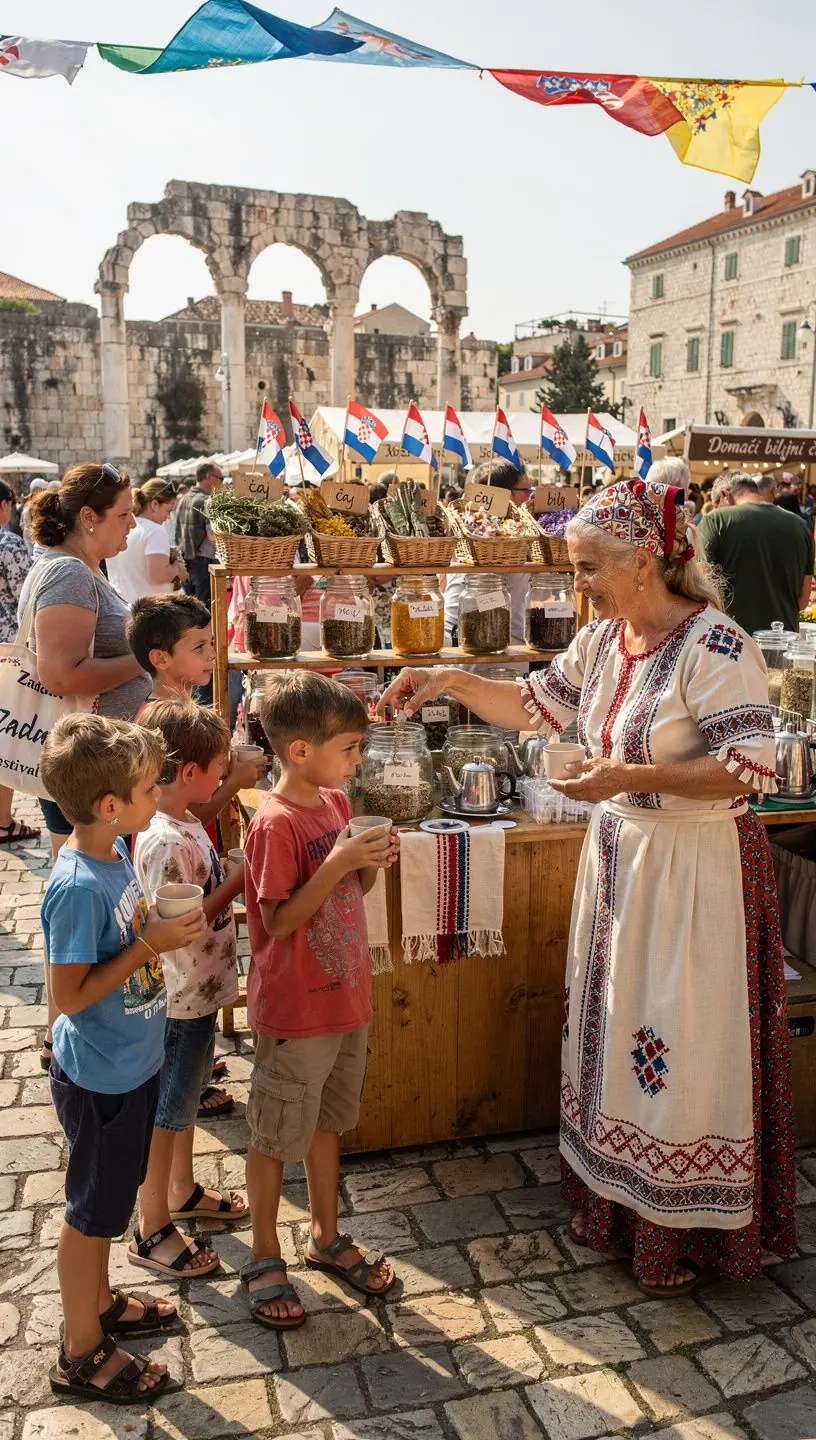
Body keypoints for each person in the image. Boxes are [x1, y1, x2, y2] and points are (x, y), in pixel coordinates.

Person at [379, 468, 796, 1295]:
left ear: (645, 560)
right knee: (618, 1029)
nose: (578, 586)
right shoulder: (606, 642)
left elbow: (749, 770)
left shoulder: (716, 645)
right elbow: (536, 704)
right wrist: (447, 679)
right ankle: (616, 1204)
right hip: (623, 864)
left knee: (679, 1042)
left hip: (694, 873)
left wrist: (628, 777)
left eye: (588, 568)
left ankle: (683, 1234)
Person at [40, 712, 206, 1404]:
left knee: (108, 1204)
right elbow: (69, 995)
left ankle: (101, 1305)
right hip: (101, 1077)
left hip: (130, 1066)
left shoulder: (112, 858)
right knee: (91, 1214)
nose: (157, 792)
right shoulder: (78, 884)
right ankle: (81, 1350)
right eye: (147, 786)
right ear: (110, 807)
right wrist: (150, 947)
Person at [242, 672, 398, 1329]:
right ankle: (263, 1251)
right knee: (277, 1134)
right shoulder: (274, 824)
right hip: (297, 1009)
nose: (358, 760)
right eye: (351, 747)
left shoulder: (335, 806)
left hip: (344, 1002)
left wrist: (367, 863)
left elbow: (345, 896)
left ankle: (326, 1236)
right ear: (301, 751)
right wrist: (336, 865)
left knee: (327, 1124)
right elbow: (277, 922)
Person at [19, 462, 153, 1073]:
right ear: (88, 518)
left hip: (102, 762)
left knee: (101, 902)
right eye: (123, 515)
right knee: (81, 903)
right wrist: (146, 656)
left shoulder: (83, 570)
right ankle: (72, 1041)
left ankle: (81, 1033)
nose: (131, 525)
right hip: (90, 767)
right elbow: (61, 673)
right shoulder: (68, 573)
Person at [133, 701, 247, 1279]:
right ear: (188, 773)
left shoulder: (181, 826)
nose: (224, 776)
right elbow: (180, 926)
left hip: (197, 995)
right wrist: (234, 883)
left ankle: (180, 1190)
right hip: (179, 999)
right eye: (220, 767)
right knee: (168, 1113)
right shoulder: (164, 841)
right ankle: (150, 1224)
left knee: (183, 1105)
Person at [699, 467, 814, 634]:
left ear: (725, 495)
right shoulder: (800, 525)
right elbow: (803, 600)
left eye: (716, 505)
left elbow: (699, 589)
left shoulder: (716, 520)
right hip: (783, 643)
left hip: (729, 644)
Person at [442, 458, 532, 645]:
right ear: (505, 495)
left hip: (507, 643)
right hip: (468, 640)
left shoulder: (520, 532)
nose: (530, 497)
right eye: (526, 491)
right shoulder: (474, 532)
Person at [0, 478, 38, 845]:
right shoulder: (8, 545)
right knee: (6, 730)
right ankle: (2, 819)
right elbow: (25, 595)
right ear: (4, 506)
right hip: (7, 647)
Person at [107, 479, 186, 604]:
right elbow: (157, 575)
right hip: (148, 612)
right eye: (168, 510)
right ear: (155, 504)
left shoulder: (123, 528)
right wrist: (177, 568)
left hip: (122, 606)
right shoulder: (155, 531)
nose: (169, 516)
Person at [176, 461, 224, 610]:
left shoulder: (183, 499)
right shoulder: (206, 501)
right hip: (204, 564)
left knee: (191, 614)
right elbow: (213, 536)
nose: (221, 483)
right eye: (220, 478)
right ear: (209, 477)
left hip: (185, 563)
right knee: (207, 614)